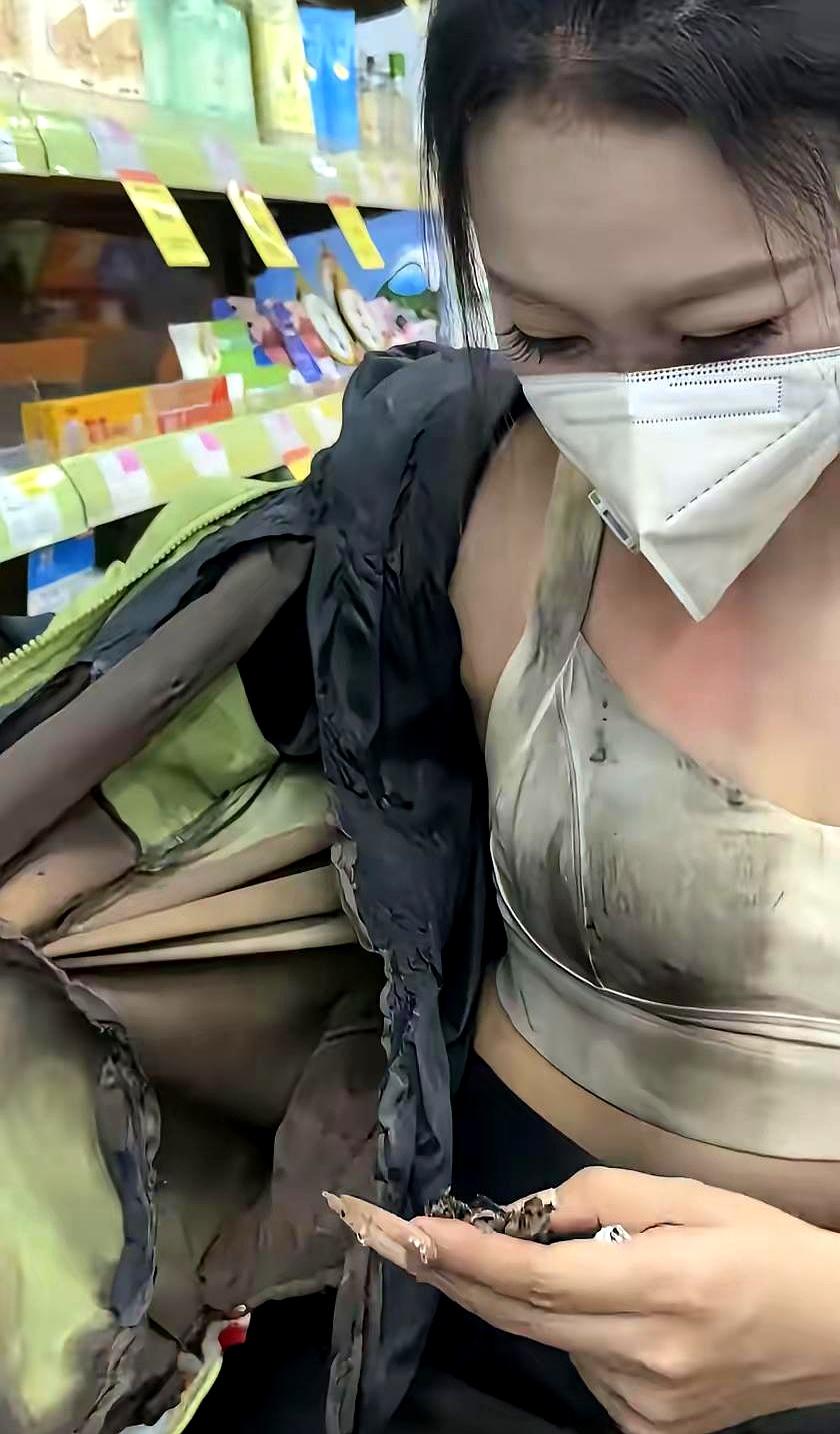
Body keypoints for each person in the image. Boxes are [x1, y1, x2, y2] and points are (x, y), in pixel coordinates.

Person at [346, 1, 840, 1432]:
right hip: (462, 1350)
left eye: (730, 334)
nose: (634, 419)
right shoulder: (460, 487)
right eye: (547, 333)